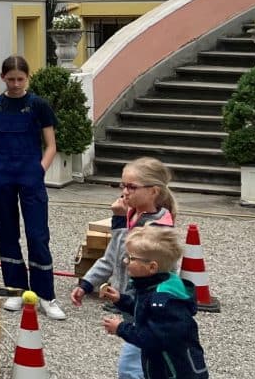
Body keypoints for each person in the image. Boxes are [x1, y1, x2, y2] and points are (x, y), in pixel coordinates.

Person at [71, 156, 177, 379]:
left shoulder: (158, 227)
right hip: (131, 303)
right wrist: (87, 283)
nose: (124, 192)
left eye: (132, 186)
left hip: (147, 308)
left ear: (153, 192)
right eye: (123, 185)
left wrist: (118, 222)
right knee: (143, 364)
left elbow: (127, 257)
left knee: (130, 368)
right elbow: (112, 257)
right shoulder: (133, 215)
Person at [0, 55, 66, 320]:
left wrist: (40, 169)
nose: (16, 84)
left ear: (28, 77)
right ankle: (16, 290)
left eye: (21, 79)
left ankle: (46, 295)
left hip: (31, 172)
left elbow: (50, 144)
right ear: (2, 77)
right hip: (1, 172)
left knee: (37, 234)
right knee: (6, 233)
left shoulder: (39, 105)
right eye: (11, 79)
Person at [100, 226, 209, 379]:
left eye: (131, 258)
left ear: (151, 267)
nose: (125, 261)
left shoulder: (164, 301)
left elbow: (151, 339)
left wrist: (121, 328)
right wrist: (121, 300)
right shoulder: (153, 286)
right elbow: (145, 312)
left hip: (175, 372)